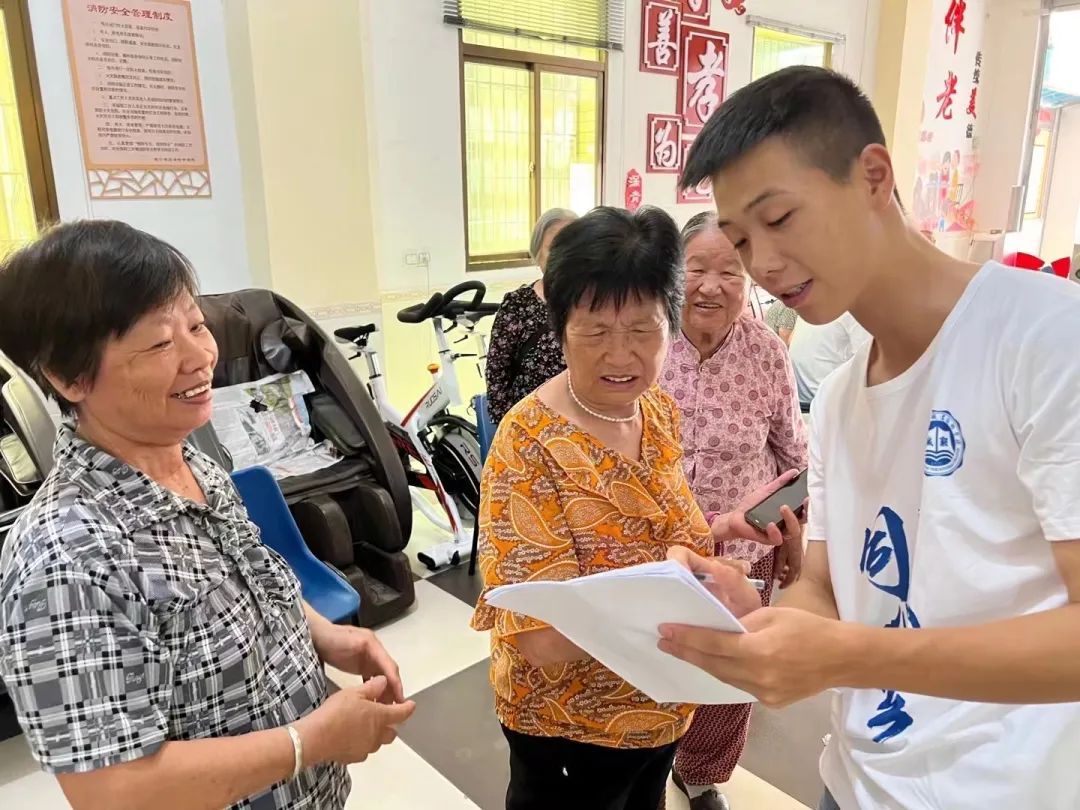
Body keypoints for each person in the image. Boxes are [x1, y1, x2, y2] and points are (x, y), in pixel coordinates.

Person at [660, 66, 1080, 810]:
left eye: (779, 219)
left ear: (874, 177)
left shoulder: (1047, 339)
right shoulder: (839, 400)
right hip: (854, 781)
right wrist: (758, 622)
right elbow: (825, 588)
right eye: (741, 241)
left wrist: (854, 655)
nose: (764, 265)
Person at [0, 221, 415, 810]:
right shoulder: (65, 558)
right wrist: (310, 741)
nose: (201, 358)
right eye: (159, 344)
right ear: (70, 378)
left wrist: (326, 635)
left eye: (196, 325)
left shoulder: (192, 461)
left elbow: (246, 580)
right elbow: (112, 790)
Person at [471, 206, 793, 810]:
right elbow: (540, 636)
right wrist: (685, 599)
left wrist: (721, 529)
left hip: (662, 704)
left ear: (670, 323)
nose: (620, 357)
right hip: (570, 726)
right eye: (595, 332)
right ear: (560, 327)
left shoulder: (657, 410)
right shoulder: (528, 443)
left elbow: (667, 536)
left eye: (643, 330)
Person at [660, 212, 807, 810]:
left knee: (729, 675)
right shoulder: (647, 342)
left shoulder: (767, 353)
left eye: (730, 272)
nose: (711, 286)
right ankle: (643, 760)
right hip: (658, 547)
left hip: (744, 552)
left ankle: (700, 772)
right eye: (696, 268)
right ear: (674, 272)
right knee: (655, 657)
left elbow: (793, 456)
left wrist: (793, 539)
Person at [485, 208, 577, 426]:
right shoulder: (518, 304)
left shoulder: (595, 304)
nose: (563, 256)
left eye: (571, 247)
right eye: (553, 248)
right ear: (538, 253)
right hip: (530, 427)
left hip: (585, 426)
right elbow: (496, 375)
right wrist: (510, 429)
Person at [787, 312, 870, 410]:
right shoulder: (855, 313)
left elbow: (789, 341)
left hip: (798, 398)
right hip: (826, 403)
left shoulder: (809, 308)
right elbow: (867, 362)